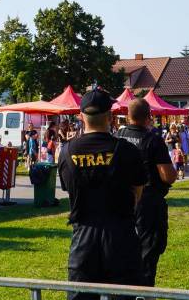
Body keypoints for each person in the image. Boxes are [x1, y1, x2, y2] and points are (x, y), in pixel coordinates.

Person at [59, 89, 146, 299]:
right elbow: (138, 193)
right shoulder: (127, 151)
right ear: (110, 116)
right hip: (120, 233)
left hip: (83, 236)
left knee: (82, 294)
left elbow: (70, 189)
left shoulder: (67, 151)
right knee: (124, 294)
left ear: (81, 116)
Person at [116, 98, 175, 286]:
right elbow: (167, 176)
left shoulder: (118, 137)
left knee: (123, 250)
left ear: (128, 116)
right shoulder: (153, 140)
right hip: (148, 201)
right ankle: (144, 290)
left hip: (121, 199)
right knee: (148, 253)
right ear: (148, 116)